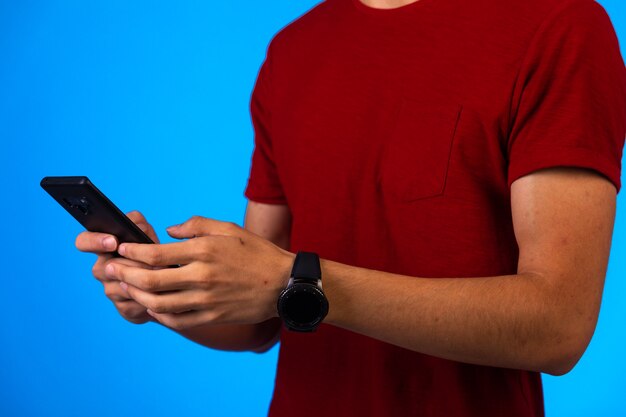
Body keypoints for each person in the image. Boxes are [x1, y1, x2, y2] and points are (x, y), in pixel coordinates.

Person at [75, 0, 626, 415]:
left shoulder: (559, 25)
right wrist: (164, 289)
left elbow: (558, 326)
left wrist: (300, 284)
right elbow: (259, 320)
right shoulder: (292, 49)